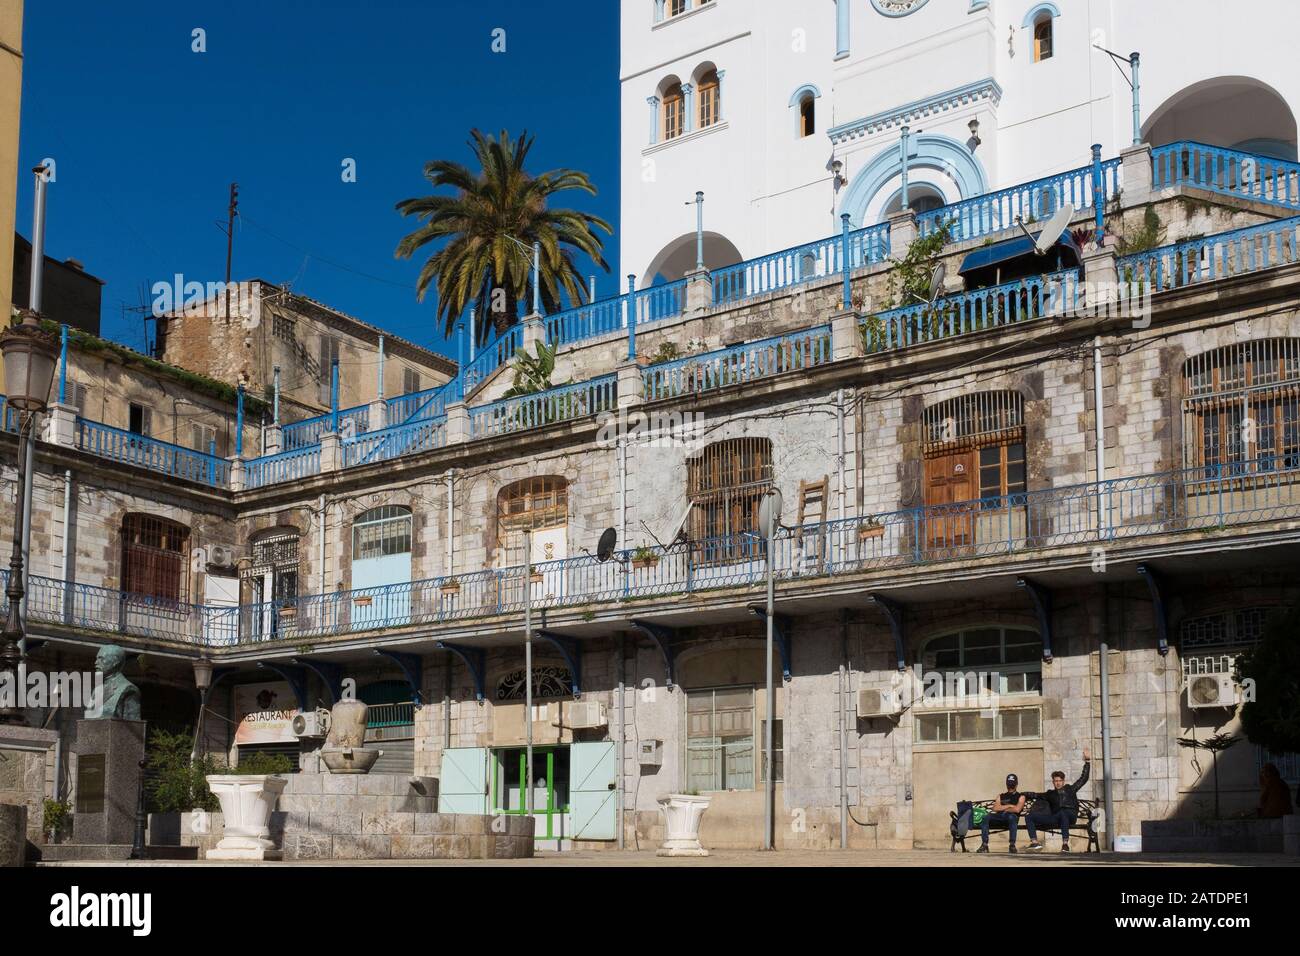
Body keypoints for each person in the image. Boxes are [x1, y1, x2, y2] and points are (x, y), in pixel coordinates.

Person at [1025, 748, 1090, 852]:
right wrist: (1021, 794)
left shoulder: (1070, 789)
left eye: (1060, 781)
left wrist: (1087, 762)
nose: (1058, 783)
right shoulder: (1050, 793)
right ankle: (1034, 843)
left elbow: (1083, 779)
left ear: (1063, 781)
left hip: (1070, 816)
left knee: (1063, 813)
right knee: (1029, 817)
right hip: (1055, 818)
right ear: (1053, 782)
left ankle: (1065, 844)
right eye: (1056, 781)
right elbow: (1035, 795)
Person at [977, 773, 1026, 853]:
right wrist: (1009, 806)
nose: (1010, 786)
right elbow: (995, 808)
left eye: (1012, 784)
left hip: (1011, 818)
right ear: (1006, 784)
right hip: (999, 817)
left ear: (1016, 784)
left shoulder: (1021, 796)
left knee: (1012, 817)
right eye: (1009, 784)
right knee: (986, 817)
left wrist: (1003, 808)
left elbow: (1017, 809)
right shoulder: (1001, 796)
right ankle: (984, 844)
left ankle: (1012, 845)